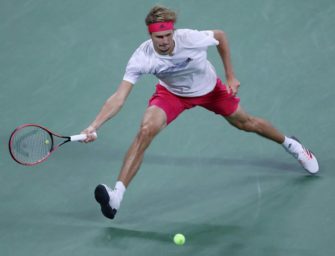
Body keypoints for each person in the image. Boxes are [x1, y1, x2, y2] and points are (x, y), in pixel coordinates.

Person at [81, 5, 319, 220]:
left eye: (167, 35)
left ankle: (293, 145)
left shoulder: (191, 39)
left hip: (210, 90)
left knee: (247, 123)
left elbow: (220, 36)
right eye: (158, 37)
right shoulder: (141, 58)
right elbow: (119, 97)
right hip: (172, 95)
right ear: (149, 35)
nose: (163, 41)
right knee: (145, 131)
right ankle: (116, 198)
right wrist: (94, 125)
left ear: (173, 32)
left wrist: (230, 76)